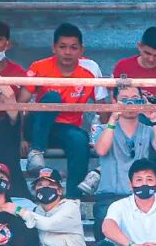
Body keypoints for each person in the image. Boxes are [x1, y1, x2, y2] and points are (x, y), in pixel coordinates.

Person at [24, 23, 108, 198]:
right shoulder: (40, 67)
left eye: (73, 47)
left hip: (66, 129)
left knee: (79, 140)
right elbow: (19, 104)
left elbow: (103, 109)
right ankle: (36, 151)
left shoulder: (90, 69)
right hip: (38, 124)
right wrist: (20, 138)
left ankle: (73, 201)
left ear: (81, 49)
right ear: (54, 48)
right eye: (62, 47)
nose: (68, 52)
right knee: (53, 97)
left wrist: (103, 137)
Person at [91, 84, 156, 240]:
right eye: (124, 100)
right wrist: (113, 118)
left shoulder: (148, 130)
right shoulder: (103, 129)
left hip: (141, 196)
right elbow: (101, 150)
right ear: (114, 101)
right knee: (103, 229)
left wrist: (154, 118)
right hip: (110, 196)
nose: (130, 104)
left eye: (135, 100)